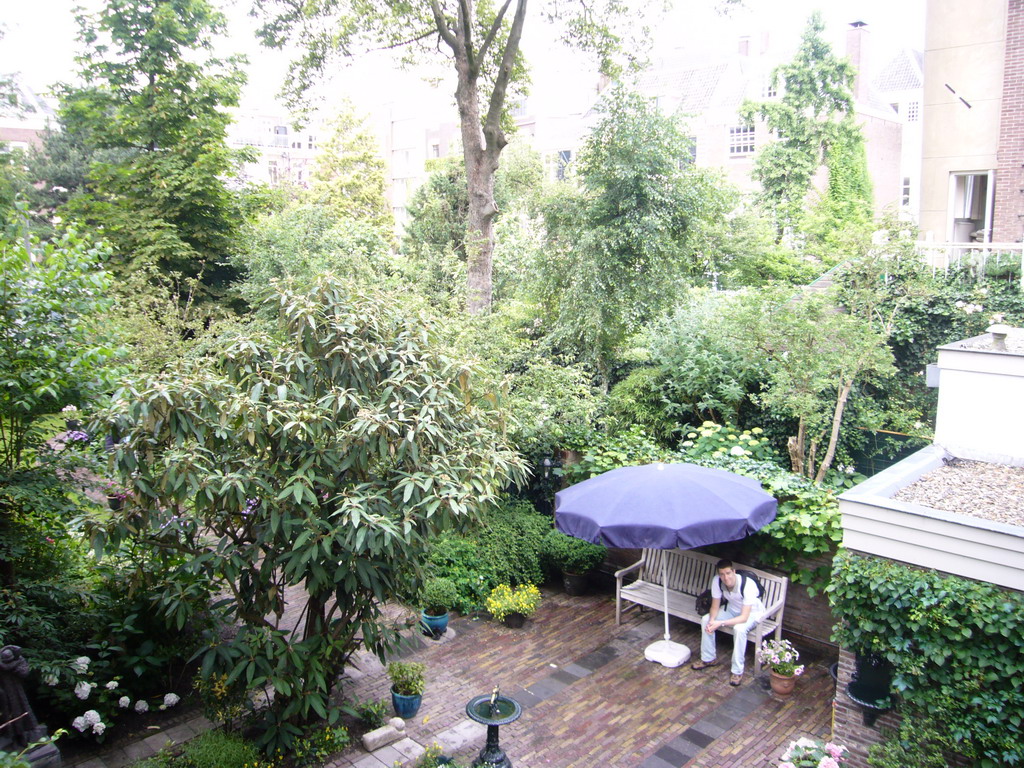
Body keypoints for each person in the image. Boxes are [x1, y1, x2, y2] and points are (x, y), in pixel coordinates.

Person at [690, 559, 764, 686]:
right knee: (706, 620)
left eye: (728, 573)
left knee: (739, 629)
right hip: (731, 609)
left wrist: (720, 623)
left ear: (733, 571)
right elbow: (715, 606)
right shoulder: (717, 581)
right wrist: (712, 621)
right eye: (722, 574)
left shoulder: (747, 585)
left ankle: (737, 671)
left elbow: (744, 617)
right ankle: (708, 659)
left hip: (752, 614)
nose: (726, 577)